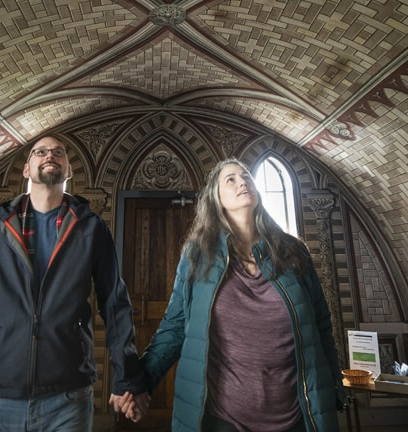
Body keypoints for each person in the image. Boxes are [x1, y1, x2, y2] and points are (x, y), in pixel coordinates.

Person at [0, 135, 149, 432]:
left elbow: (115, 305)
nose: (49, 155)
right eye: (40, 152)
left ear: (68, 170)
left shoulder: (91, 228)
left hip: (68, 395)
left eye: (58, 152)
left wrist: (127, 379)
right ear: (27, 169)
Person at [112, 158, 343, 431]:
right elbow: (174, 327)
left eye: (246, 176)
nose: (242, 182)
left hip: (296, 415)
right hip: (224, 419)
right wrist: (137, 384)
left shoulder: (293, 252)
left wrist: (334, 387)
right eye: (230, 179)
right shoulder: (199, 256)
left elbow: (321, 325)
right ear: (217, 199)